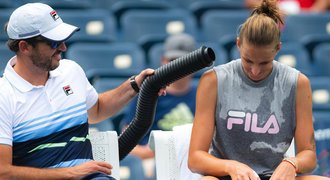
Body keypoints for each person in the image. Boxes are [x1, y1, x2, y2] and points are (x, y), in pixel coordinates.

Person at [0, 3, 164, 179]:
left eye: (64, 40)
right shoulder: (4, 94)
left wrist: (135, 85)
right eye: (54, 42)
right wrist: (70, 173)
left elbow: (97, 110)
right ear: (24, 47)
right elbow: (4, 172)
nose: (63, 47)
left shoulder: (71, 70)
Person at [188, 0, 329, 179]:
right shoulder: (214, 80)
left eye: (264, 63)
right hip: (226, 175)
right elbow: (195, 158)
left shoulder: (298, 83)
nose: (255, 70)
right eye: (248, 61)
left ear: (278, 49)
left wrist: (292, 163)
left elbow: (309, 156)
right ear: (238, 44)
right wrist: (231, 167)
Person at [122, 33, 198, 160]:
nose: (179, 67)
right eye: (173, 61)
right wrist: (156, 154)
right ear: (163, 61)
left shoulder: (203, 93)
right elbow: (126, 141)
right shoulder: (147, 93)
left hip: (191, 159)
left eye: (185, 61)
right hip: (151, 159)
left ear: (196, 64)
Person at [245, 0, 330, 14]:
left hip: (305, 20)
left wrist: (311, 13)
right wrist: (273, 7)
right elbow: (250, 2)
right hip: (275, 19)